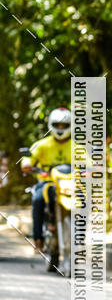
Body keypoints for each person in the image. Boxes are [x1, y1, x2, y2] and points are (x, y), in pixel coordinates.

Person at [20, 108, 72, 255]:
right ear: (52, 125)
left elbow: (89, 161)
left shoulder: (76, 147)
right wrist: (27, 165)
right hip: (46, 183)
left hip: (69, 185)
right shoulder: (41, 145)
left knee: (84, 200)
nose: (60, 129)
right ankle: (38, 241)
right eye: (58, 125)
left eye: (64, 125)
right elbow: (27, 160)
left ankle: (80, 234)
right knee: (37, 199)